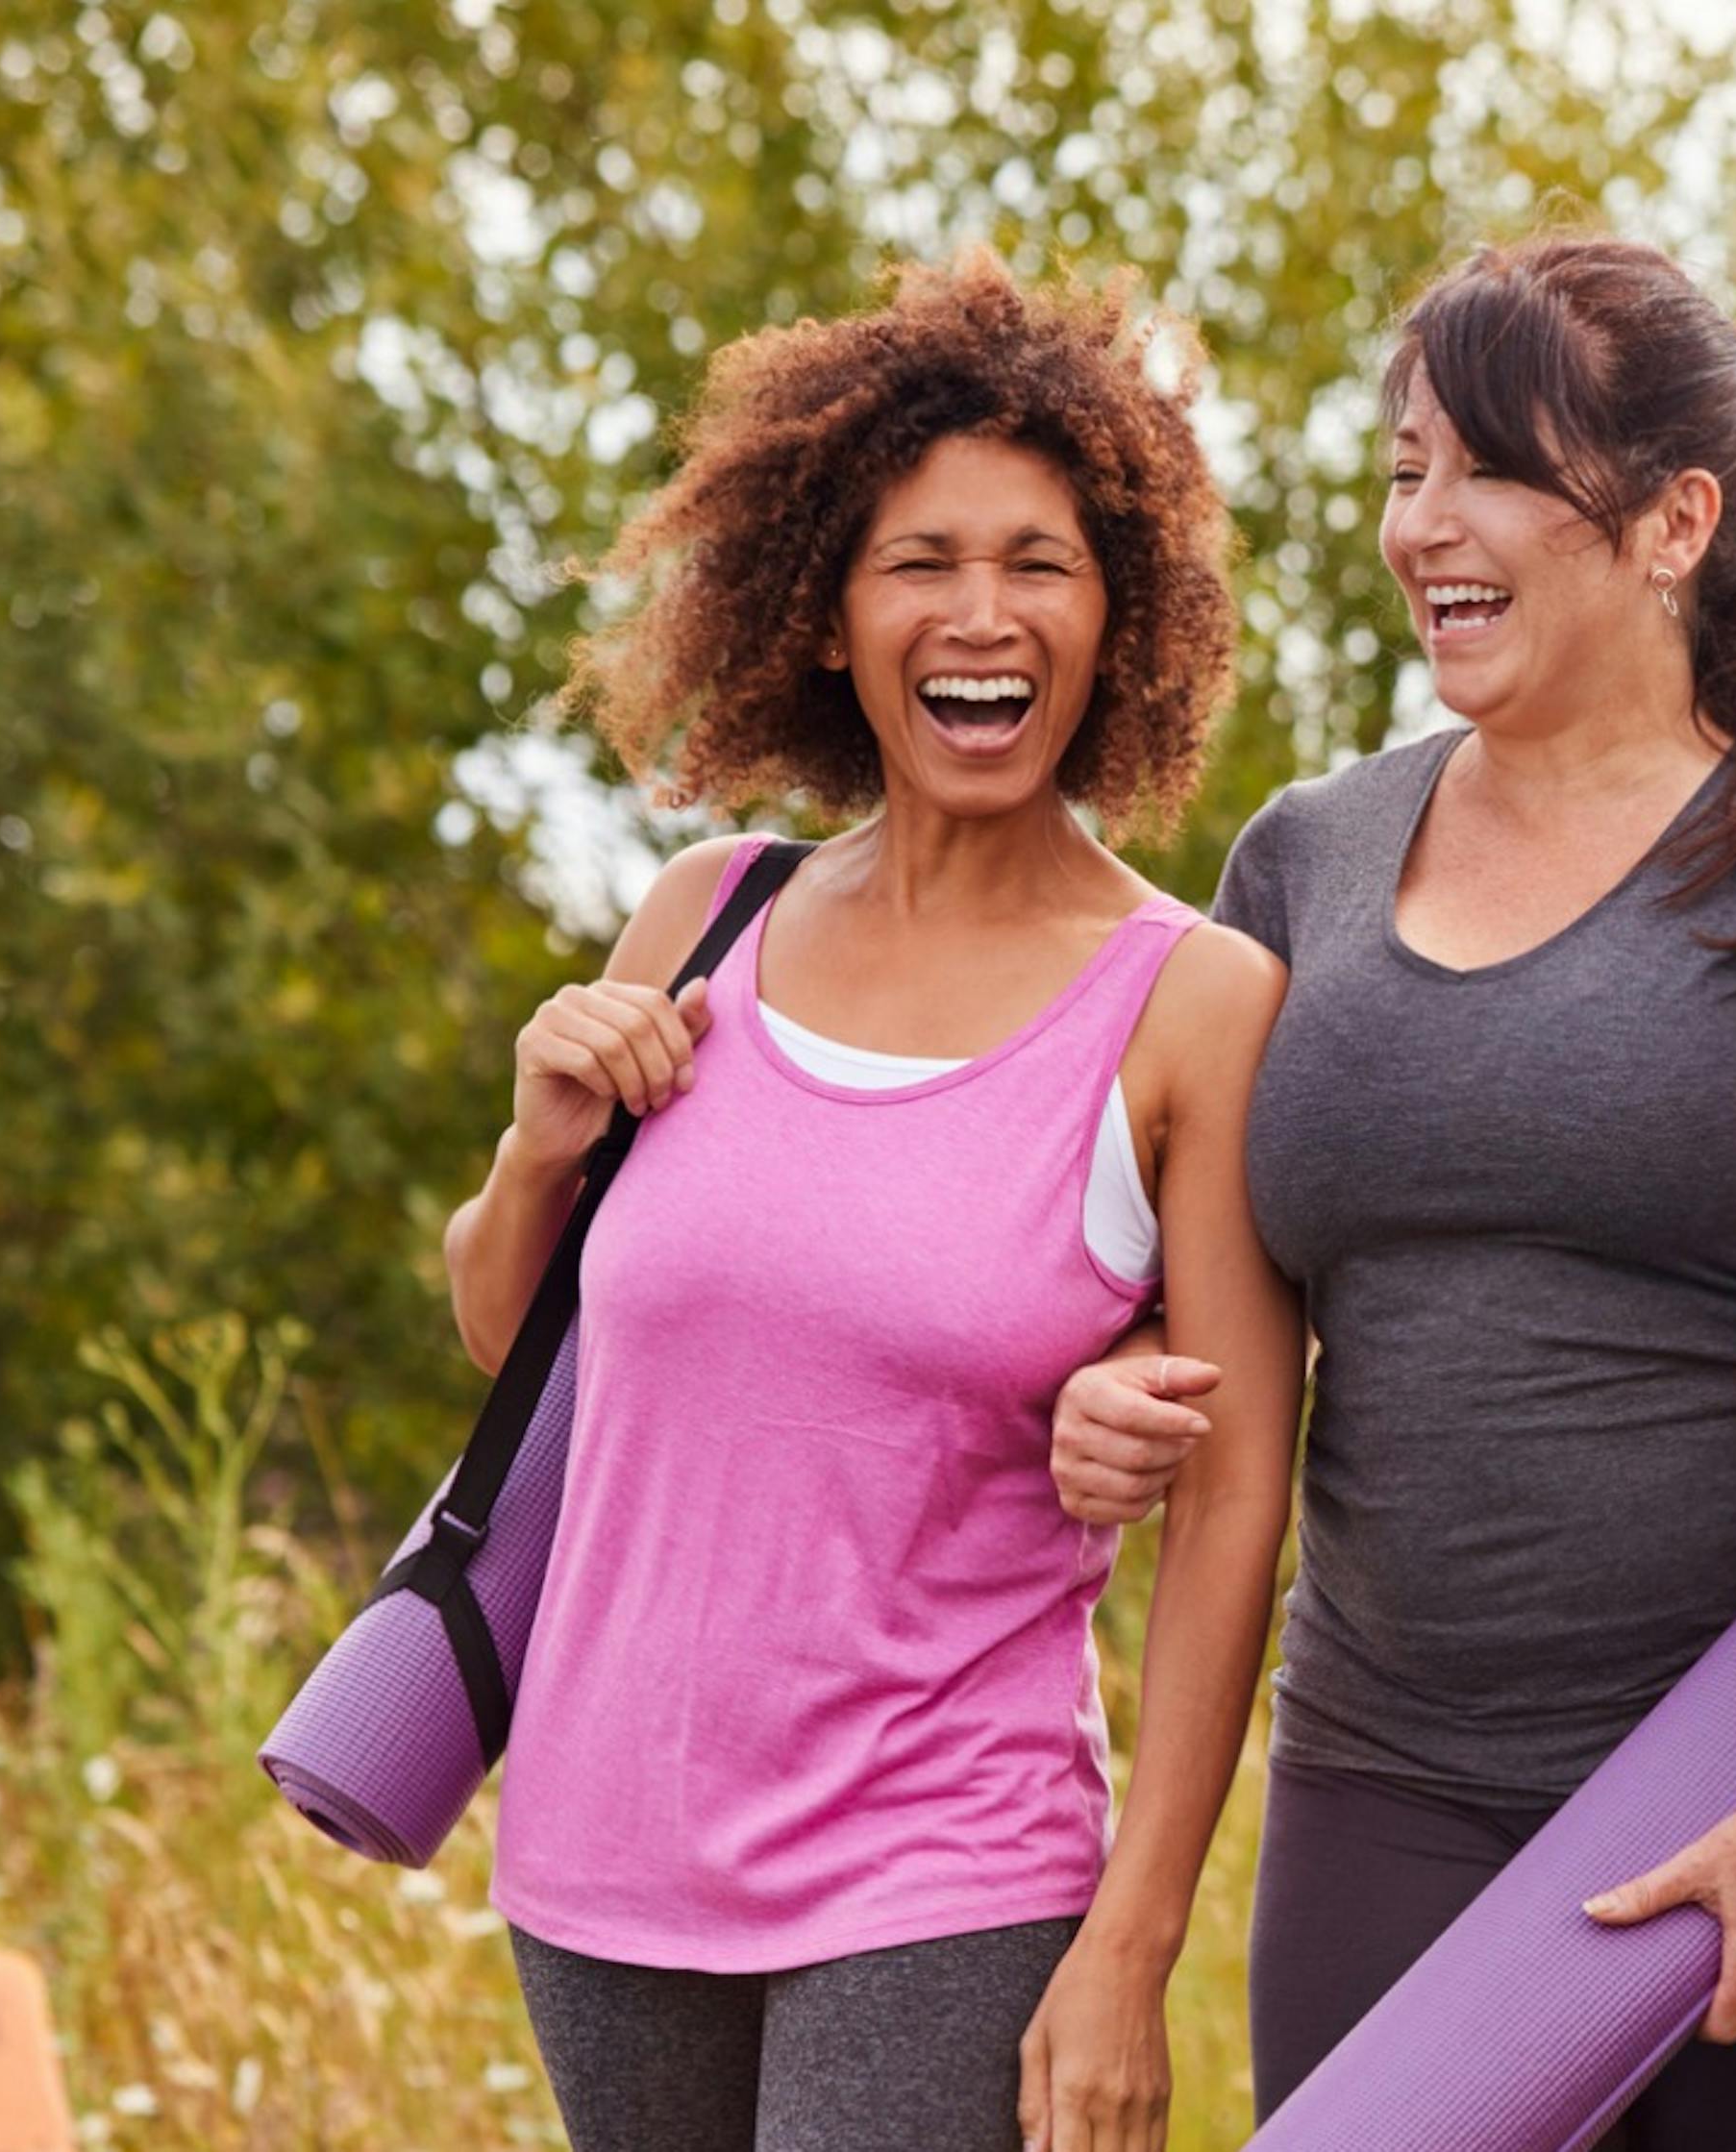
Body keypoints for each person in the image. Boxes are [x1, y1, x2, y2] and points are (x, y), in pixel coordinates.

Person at [1048, 234, 1736, 2147]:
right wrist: (1103, 1389)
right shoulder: (1302, 860)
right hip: (1388, 1775)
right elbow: (1210, 1338)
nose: (1427, 522)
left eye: (1490, 467)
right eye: (1403, 468)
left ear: (1676, 521)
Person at [438, 254, 1300, 2152]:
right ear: (828, 616)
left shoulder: (1193, 1002)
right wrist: (537, 1142)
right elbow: (527, 1350)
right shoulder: (706, 916)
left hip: (948, 1864)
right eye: (920, 560)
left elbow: (1240, 1492)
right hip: (598, 1856)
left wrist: (1132, 1945)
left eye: (1039, 561)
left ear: (1117, 613)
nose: (978, 613)